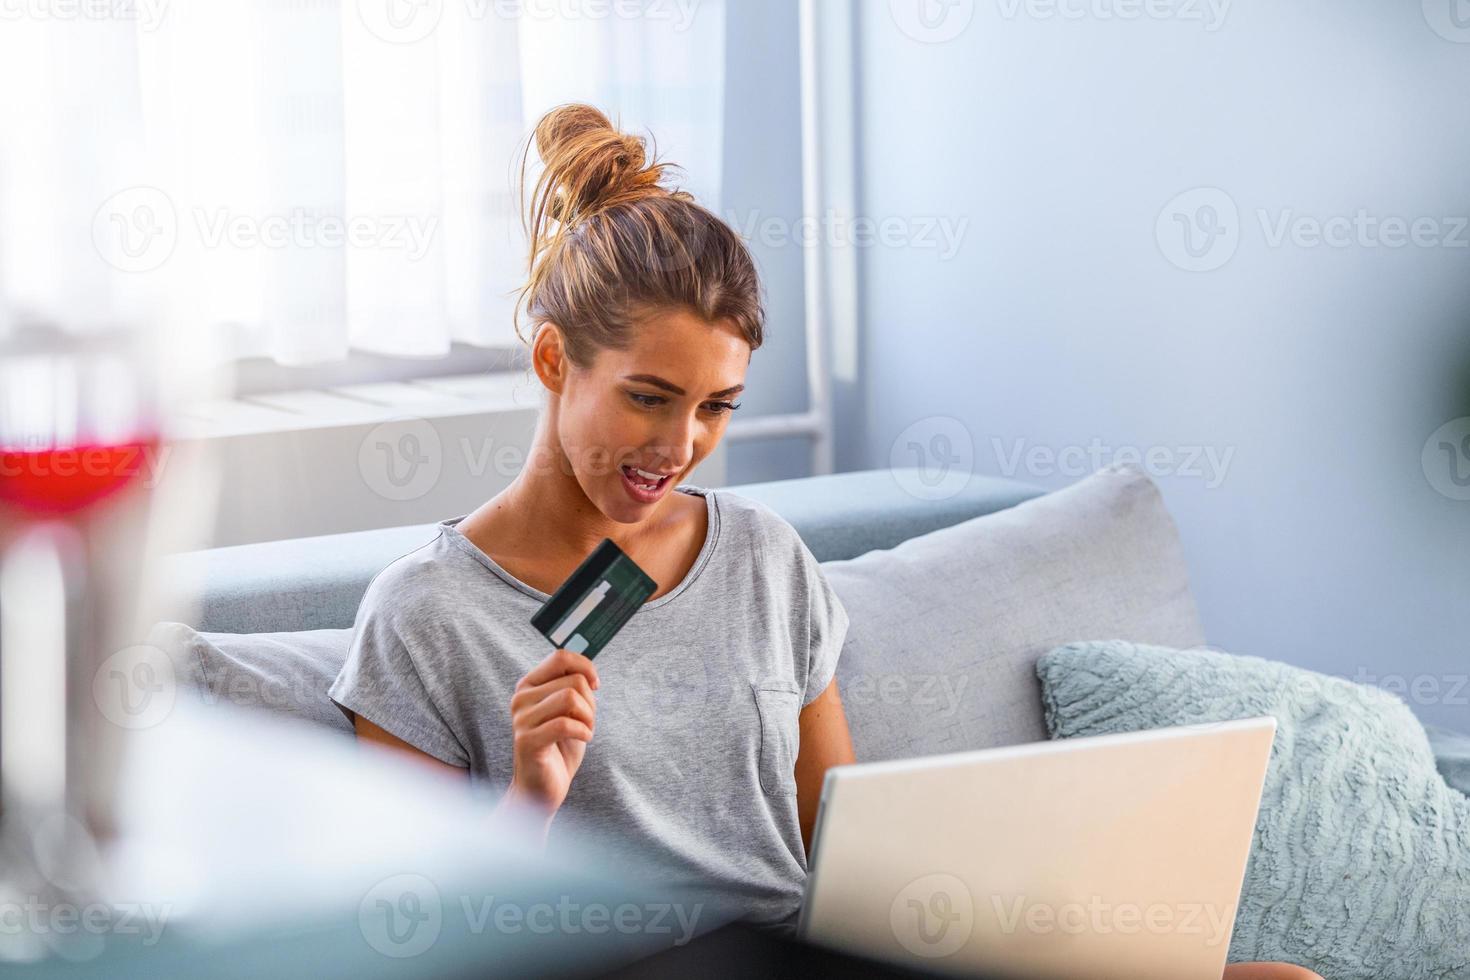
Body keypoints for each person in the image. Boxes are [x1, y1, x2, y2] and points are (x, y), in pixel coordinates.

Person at [327, 102, 1323, 980]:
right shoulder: (425, 613)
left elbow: (843, 851)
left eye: (717, 405)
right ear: (555, 358)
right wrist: (530, 800)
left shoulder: (763, 557)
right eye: (649, 397)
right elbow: (403, 935)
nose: (680, 447)